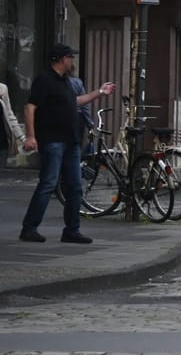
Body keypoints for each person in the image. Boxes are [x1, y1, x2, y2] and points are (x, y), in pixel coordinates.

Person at [20, 44, 113, 244]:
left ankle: (72, 230)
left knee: (75, 187)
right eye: (71, 57)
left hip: (71, 142)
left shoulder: (65, 82)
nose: (73, 61)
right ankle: (29, 228)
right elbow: (30, 107)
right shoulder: (44, 79)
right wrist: (30, 136)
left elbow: (75, 102)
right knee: (48, 183)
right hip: (53, 141)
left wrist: (99, 92)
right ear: (63, 59)